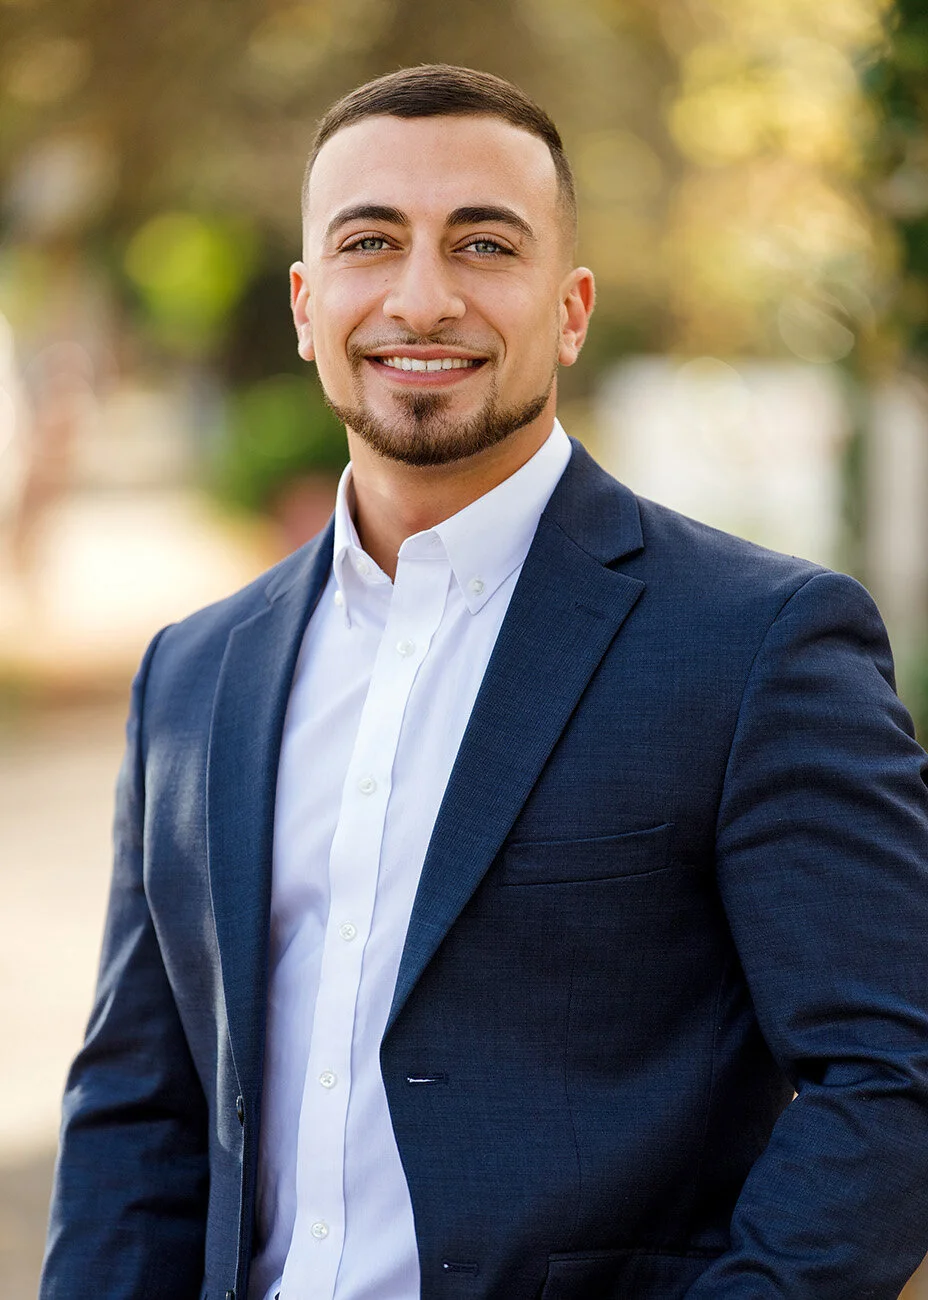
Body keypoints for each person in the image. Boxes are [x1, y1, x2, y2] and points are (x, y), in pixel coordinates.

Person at [41, 64, 928, 1300]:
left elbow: (889, 1075)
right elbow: (140, 1110)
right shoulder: (194, 673)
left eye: (483, 244)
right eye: (369, 242)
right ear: (306, 305)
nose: (421, 296)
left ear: (569, 310)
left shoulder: (758, 643)